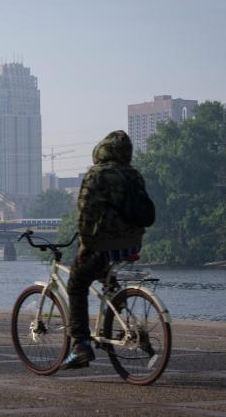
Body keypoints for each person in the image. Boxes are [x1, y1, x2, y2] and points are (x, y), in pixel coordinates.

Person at [60, 130, 147, 370]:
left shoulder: (96, 175)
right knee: (103, 273)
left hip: (104, 244)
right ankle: (116, 310)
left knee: (76, 282)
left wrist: (85, 246)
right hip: (131, 244)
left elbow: (86, 214)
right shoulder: (133, 175)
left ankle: (79, 346)